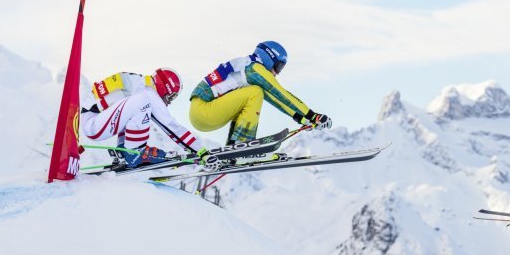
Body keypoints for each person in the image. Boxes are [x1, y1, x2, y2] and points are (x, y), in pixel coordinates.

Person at [188, 41, 331, 145]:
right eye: (278, 67)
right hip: (204, 111)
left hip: (200, 114)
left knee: (256, 93)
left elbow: (276, 99)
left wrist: (301, 118)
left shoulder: (247, 66)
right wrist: (313, 115)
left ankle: (236, 145)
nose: (277, 73)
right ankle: (241, 144)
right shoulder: (254, 68)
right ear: (269, 57)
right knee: (256, 93)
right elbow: (281, 94)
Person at [81, 68, 210, 168]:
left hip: (92, 120)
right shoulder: (148, 92)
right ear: (164, 88)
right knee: (142, 102)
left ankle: (125, 151)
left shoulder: (140, 84)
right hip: (93, 125)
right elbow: (171, 126)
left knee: (135, 107)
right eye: (171, 96)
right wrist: (200, 150)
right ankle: (134, 152)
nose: (169, 102)